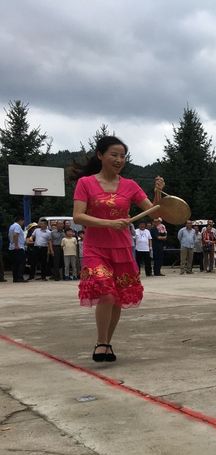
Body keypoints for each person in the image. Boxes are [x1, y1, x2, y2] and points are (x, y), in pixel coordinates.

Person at [72, 135, 164, 362]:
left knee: (117, 298)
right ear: (100, 155)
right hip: (95, 248)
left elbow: (153, 213)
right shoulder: (85, 183)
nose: (119, 160)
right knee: (106, 293)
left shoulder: (130, 185)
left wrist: (158, 192)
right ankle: (101, 342)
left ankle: (106, 343)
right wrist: (109, 223)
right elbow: (78, 216)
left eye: (122, 156)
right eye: (114, 155)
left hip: (122, 248)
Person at [8, 215, 26, 282]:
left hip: (12, 247)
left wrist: (13, 244)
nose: (23, 223)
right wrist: (16, 245)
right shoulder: (17, 226)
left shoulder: (11, 226)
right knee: (21, 263)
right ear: (20, 220)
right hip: (18, 247)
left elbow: (10, 236)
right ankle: (20, 278)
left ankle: (15, 278)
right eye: (23, 221)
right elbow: (16, 234)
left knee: (15, 264)